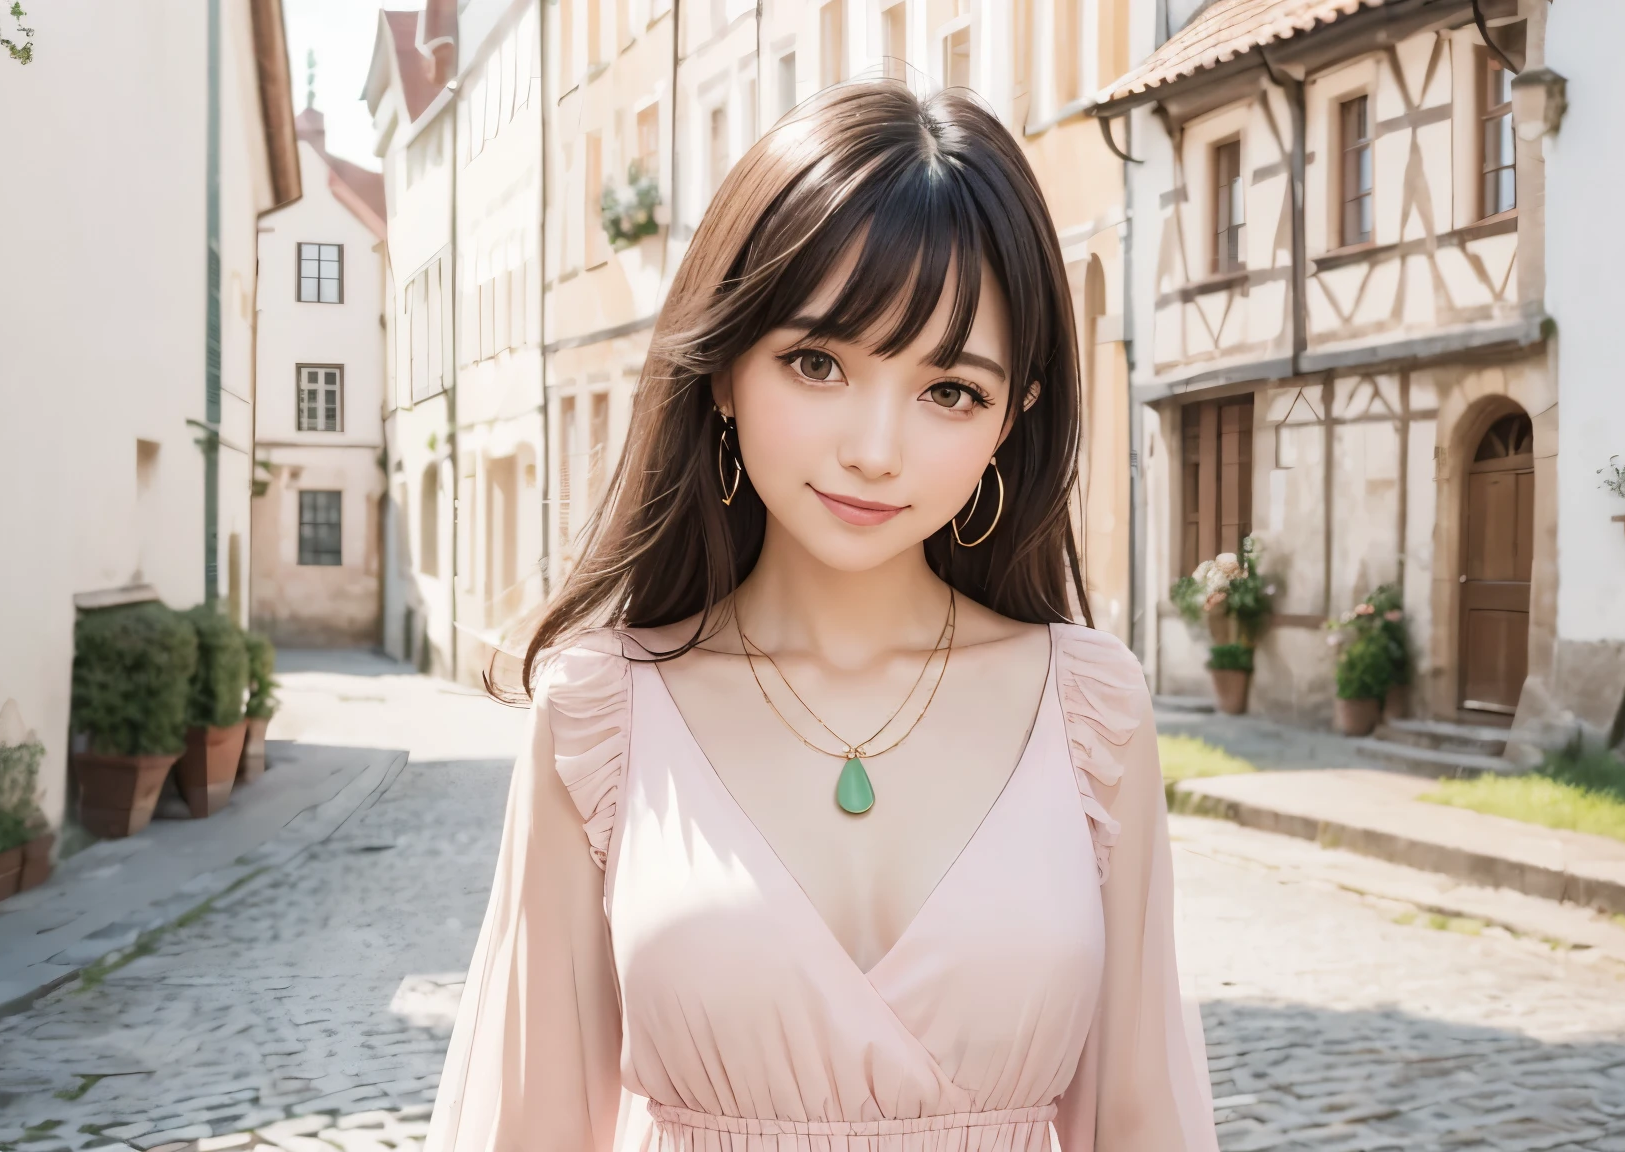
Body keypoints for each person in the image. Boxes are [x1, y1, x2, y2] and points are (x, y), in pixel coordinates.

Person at [425, 81, 1218, 1152]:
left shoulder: (1088, 707)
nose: (874, 448)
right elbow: (532, 1125)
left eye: (950, 390)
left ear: (1012, 415)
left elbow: (1138, 1121)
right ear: (722, 371)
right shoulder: (599, 712)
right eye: (816, 363)